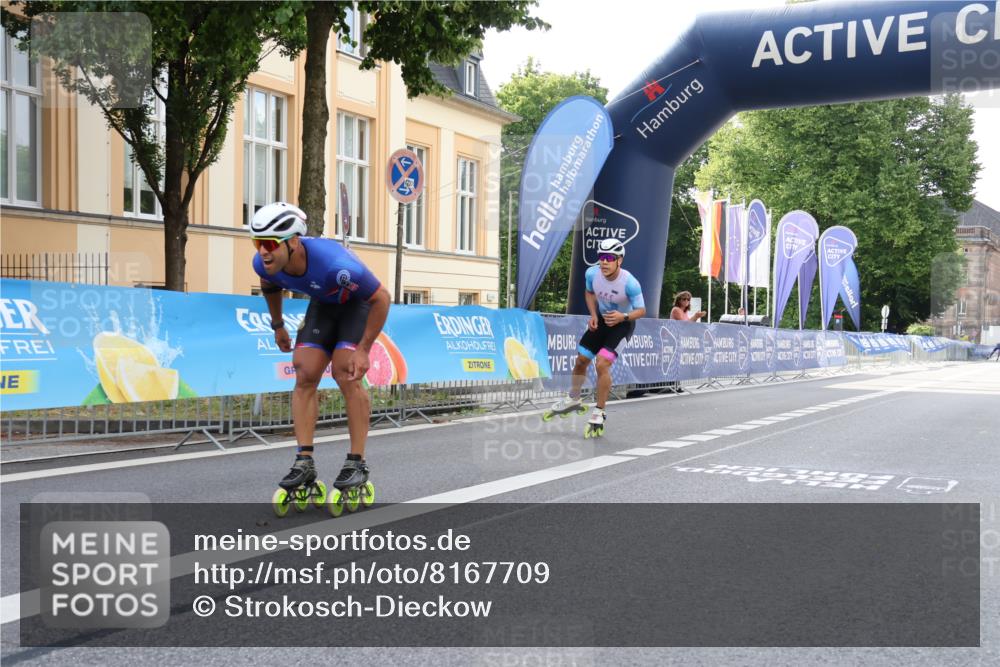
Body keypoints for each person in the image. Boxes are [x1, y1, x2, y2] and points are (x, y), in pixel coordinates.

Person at [250, 202, 391, 503]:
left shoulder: (336, 265)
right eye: (258, 243)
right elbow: (269, 285)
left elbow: (382, 298)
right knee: (304, 371)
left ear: (293, 241)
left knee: (346, 372)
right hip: (324, 306)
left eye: (270, 244)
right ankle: (304, 460)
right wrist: (277, 326)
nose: (263, 251)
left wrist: (364, 349)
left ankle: (357, 461)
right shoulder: (264, 263)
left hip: (357, 306)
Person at [547, 238, 646, 437]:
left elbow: (642, 310)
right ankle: (574, 398)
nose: (604, 262)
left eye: (609, 258)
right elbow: (589, 292)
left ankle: (599, 411)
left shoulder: (630, 283)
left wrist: (623, 316)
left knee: (602, 364)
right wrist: (593, 314)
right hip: (601, 320)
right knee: (581, 359)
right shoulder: (592, 273)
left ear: (619, 260)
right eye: (601, 257)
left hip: (623, 324)